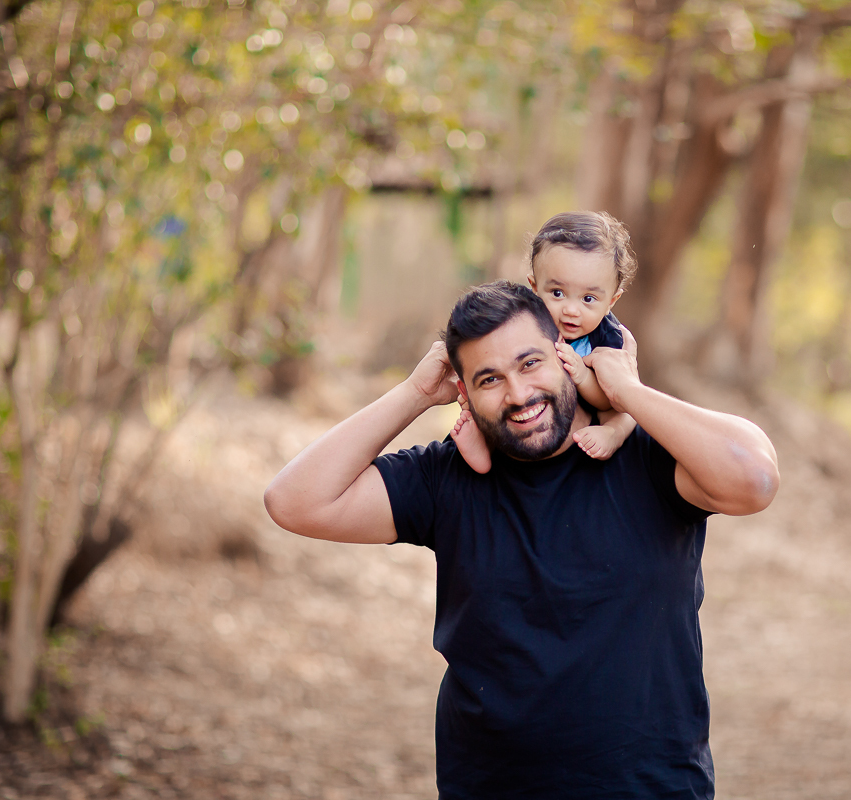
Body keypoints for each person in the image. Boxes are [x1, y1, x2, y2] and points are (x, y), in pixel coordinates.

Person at [264, 281, 779, 799]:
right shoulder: (446, 477)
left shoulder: (650, 456)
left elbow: (754, 480)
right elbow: (294, 501)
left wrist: (625, 392)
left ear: (565, 354)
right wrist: (414, 394)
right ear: (463, 390)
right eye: (489, 378)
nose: (518, 394)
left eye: (531, 363)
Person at [451, 211, 639, 473]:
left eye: (588, 299)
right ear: (534, 287)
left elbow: (610, 400)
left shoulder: (608, 338)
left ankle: (613, 436)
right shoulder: (529, 324)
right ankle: (483, 445)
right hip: (535, 414)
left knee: (626, 410)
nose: (571, 310)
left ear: (612, 301)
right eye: (558, 293)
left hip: (597, 408)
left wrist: (583, 375)